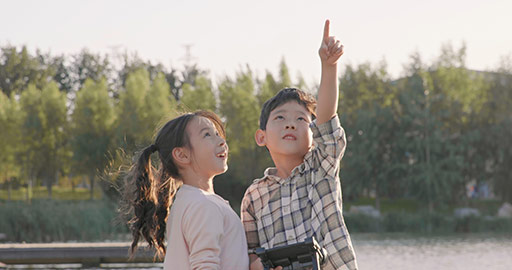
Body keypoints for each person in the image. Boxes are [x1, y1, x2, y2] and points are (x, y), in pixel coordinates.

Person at [241, 20, 358, 270]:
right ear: (261, 137)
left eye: (301, 119)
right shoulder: (254, 196)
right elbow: (251, 253)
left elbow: (326, 118)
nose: (290, 124)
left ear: (313, 133)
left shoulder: (321, 166)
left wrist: (329, 67)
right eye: (280, 118)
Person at [124, 110, 250, 270]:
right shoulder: (203, 205)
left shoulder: (187, 202)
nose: (221, 141)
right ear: (182, 155)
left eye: (218, 134)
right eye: (207, 135)